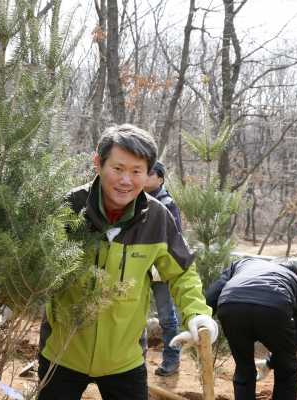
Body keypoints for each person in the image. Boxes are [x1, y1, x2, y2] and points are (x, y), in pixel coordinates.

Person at [38, 124, 217, 400]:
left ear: (148, 174)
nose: (126, 180)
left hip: (125, 359)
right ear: (99, 165)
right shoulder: (68, 208)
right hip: (62, 355)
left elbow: (182, 272)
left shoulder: (156, 218)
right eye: (118, 169)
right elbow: (30, 261)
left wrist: (197, 313)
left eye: (137, 171)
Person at [204, 257, 297, 400]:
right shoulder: (296, 282)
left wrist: (198, 319)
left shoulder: (244, 263)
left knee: (244, 370)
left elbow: (212, 294)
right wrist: (275, 360)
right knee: (287, 370)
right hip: (274, 309)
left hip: (231, 306)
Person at [143, 161, 183, 376]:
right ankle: (135, 359)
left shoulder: (167, 204)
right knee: (133, 314)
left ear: (160, 178)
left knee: (166, 317)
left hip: (159, 268)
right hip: (138, 266)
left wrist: (161, 265)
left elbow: (175, 237)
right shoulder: (134, 199)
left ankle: (171, 360)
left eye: (149, 173)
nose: (144, 176)